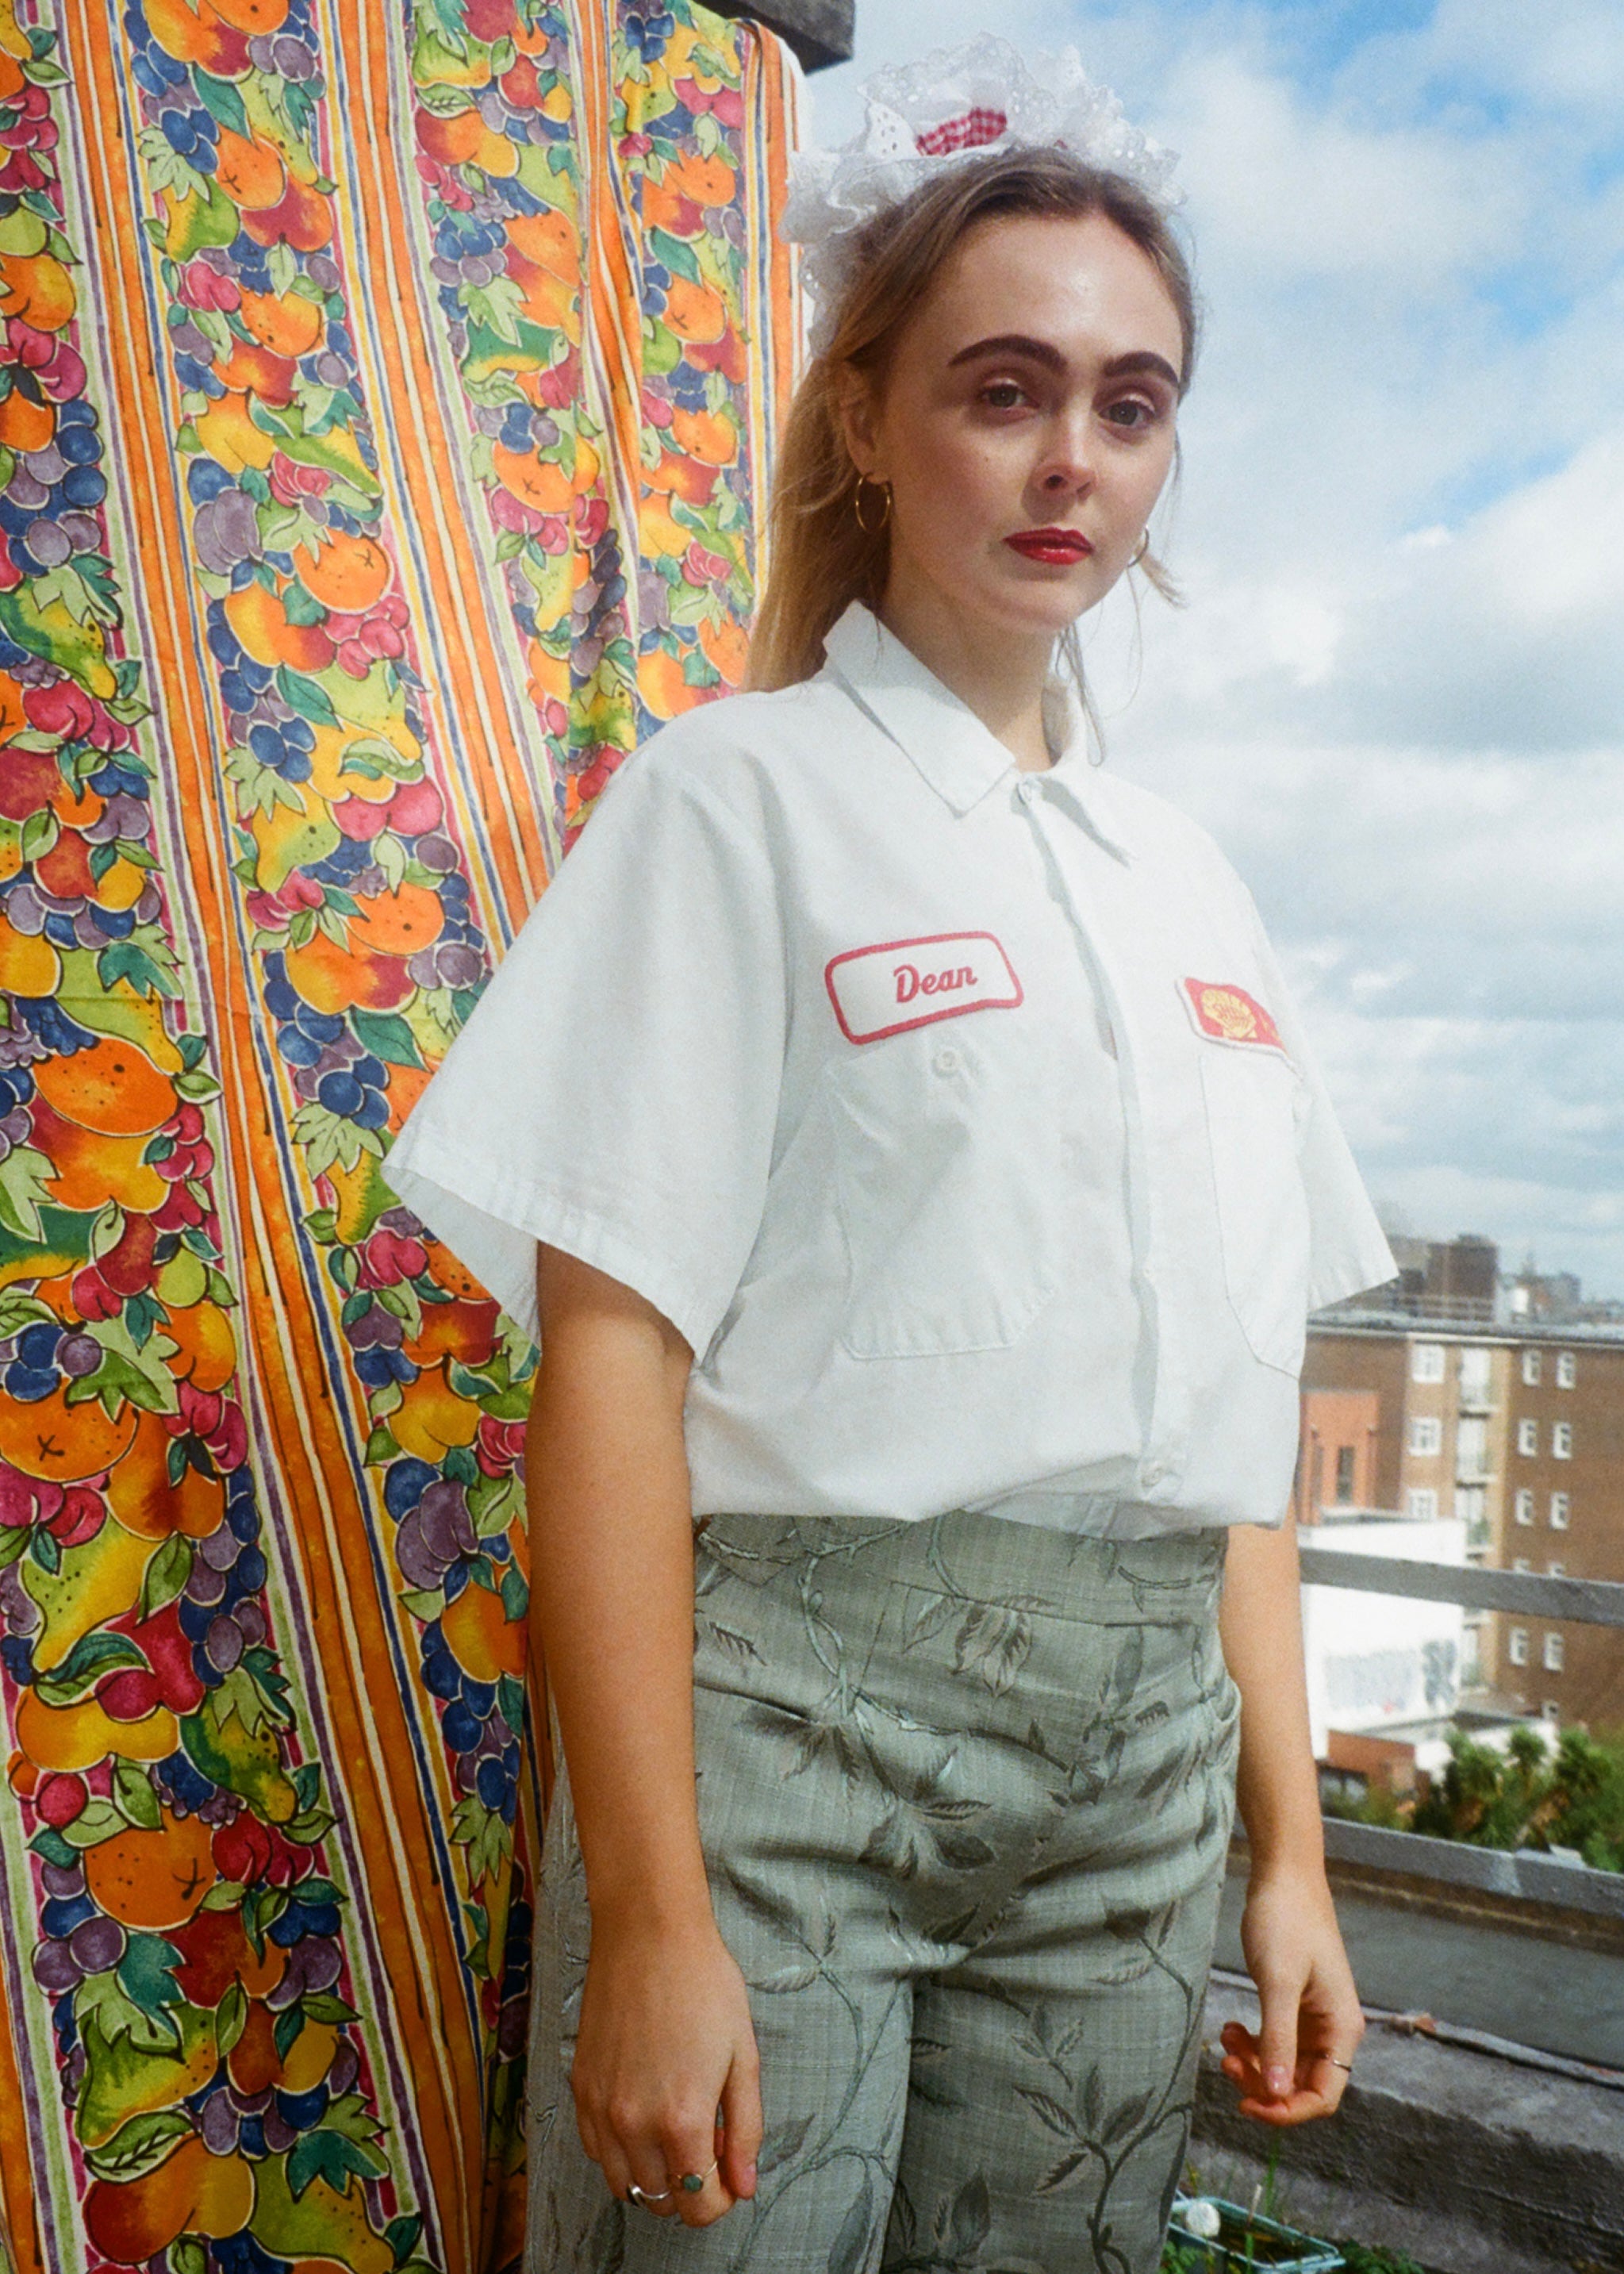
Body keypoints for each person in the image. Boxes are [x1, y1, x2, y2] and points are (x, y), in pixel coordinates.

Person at [384, 36, 1396, 2274]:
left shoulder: (1190, 881)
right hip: (789, 1757)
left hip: (1138, 1791)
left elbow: (1233, 1431)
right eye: (1005, 386)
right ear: (866, 416)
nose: (1073, 462)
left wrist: (1288, 1853)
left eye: (1131, 406)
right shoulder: (728, 800)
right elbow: (610, 1373)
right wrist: (650, 1914)